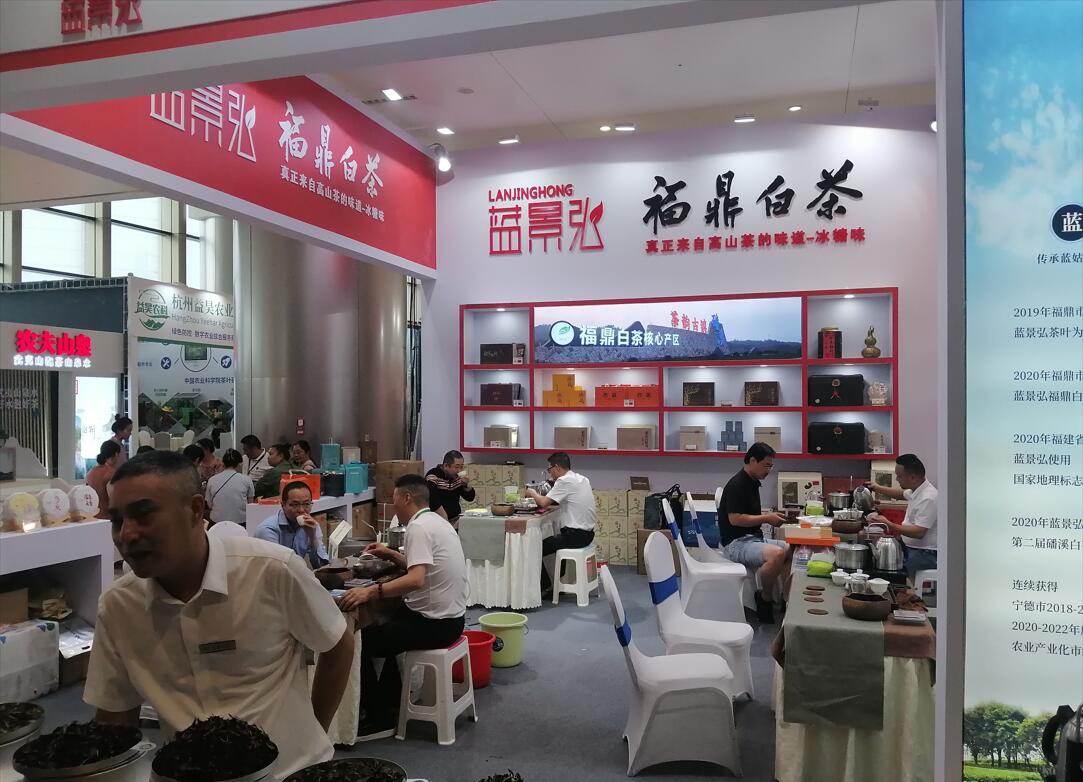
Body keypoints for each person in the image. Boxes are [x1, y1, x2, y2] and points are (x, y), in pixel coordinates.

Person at [84, 451, 354, 778]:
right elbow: (114, 718)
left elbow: (338, 644)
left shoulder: (271, 571)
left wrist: (314, 734)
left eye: (144, 515)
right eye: (117, 520)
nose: (126, 534)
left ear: (195, 510)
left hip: (288, 773)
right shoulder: (119, 606)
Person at [336, 474, 467, 740]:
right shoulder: (437, 522)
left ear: (407, 498)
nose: (393, 505)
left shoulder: (418, 527)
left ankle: (378, 718)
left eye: (394, 499)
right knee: (383, 624)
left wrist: (370, 591)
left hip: (436, 624)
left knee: (359, 642)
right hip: (452, 617)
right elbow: (421, 566)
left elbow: (416, 579)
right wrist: (390, 554)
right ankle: (392, 698)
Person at [719, 442, 790, 624]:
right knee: (776, 554)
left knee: (790, 549)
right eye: (766, 466)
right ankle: (765, 597)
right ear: (752, 460)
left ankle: (785, 598)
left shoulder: (752, 482)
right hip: (736, 543)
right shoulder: (737, 484)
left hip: (752, 539)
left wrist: (771, 516)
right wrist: (767, 518)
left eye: (771, 466)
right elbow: (735, 519)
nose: (769, 470)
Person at [524, 452, 597, 596]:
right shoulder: (582, 479)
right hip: (588, 534)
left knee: (535, 547)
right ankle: (559, 584)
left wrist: (531, 492)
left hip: (575, 536)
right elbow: (569, 502)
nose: (549, 473)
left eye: (549, 469)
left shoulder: (564, 481)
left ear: (556, 467)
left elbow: (543, 502)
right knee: (555, 542)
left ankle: (544, 587)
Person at [865, 453, 938, 581]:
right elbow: (901, 494)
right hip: (910, 547)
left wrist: (888, 524)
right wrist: (877, 488)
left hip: (925, 554)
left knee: (893, 573)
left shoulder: (928, 498)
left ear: (912, 477)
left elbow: (919, 532)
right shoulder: (917, 489)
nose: (897, 479)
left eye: (899, 476)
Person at [255, 481, 329, 568]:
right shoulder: (268, 530)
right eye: (295, 505)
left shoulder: (311, 526)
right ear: (283, 505)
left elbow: (321, 567)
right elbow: (275, 569)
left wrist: (312, 537)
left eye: (306, 504)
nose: (301, 510)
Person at [205, 449, 254, 527]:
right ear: (240, 464)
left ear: (223, 464)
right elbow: (250, 505)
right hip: (241, 523)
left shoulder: (212, 480)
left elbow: (210, 505)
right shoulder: (247, 480)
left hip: (216, 523)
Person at [425, 450, 475, 522]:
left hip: (455, 518)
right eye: (456, 467)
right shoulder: (433, 476)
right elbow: (432, 499)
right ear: (446, 466)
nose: (459, 471)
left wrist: (466, 485)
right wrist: (444, 519)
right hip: (437, 520)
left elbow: (470, 498)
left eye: (461, 467)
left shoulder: (456, 477)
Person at [86, 440, 122, 518]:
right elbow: (114, 499)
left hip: (91, 517)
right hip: (107, 517)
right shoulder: (111, 473)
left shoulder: (90, 472)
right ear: (116, 454)